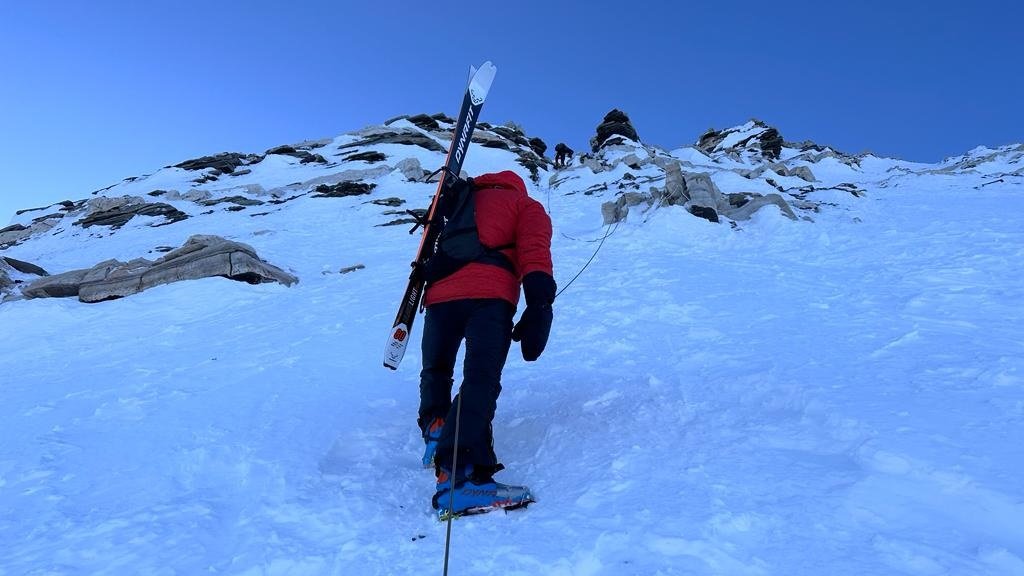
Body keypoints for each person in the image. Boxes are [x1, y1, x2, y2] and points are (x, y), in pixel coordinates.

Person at [417, 170, 554, 517]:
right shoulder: (524, 204)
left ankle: (437, 427)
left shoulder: (462, 200)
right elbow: (534, 252)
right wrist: (539, 305)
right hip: (490, 297)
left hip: (439, 296)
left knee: (437, 368)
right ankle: (458, 480)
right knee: (480, 378)